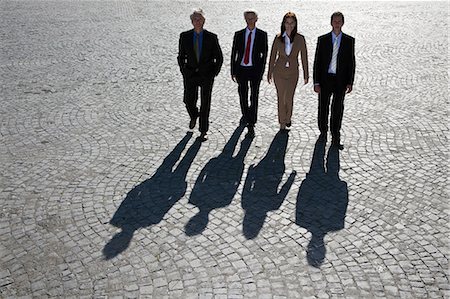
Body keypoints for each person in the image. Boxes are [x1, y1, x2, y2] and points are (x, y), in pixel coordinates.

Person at [177, 8, 223, 141]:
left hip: (206, 75)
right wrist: (184, 70)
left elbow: (218, 57)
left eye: (200, 19)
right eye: (195, 19)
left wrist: (213, 73)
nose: (197, 22)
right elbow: (181, 56)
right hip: (190, 74)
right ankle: (193, 115)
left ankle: (203, 130)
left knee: (205, 102)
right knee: (188, 100)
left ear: (204, 21)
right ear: (192, 22)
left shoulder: (211, 37)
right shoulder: (184, 36)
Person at [313, 11, 355, 149]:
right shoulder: (323, 39)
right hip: (325, 79)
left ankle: (336, 135)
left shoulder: (349, 41)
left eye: (339, 21)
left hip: (340, 80)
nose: (337, 24)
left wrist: (350, 81)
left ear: (343, 23)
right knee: (323, 106)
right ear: (331, 22)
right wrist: (316, 82)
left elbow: (351, 62)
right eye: (334, 21)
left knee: (337, 108)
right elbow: (317, 62)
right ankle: (323, 130)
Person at [267, 12, 309, 131]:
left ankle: (288, 117)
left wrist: (306, 74)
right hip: (279, 72)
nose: (289, 25)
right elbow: (272, 56)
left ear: (295, 24)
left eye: (292, 23)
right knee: (281, 97)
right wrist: (269, 72)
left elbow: (304, 56)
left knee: (289, 97)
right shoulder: (278, 38)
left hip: (293, 73)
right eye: (287, 23)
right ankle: (282, 122)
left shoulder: (300, 38)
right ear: (283, 24)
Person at [231, 10, 268, 138]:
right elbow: (234, 53)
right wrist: (233, 71)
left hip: (254, 69)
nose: (250, 21)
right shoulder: (239, 34)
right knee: (243, 93)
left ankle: (252, 122)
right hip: (241, 68)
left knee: (254, 95)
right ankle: (245, 114)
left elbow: (264, 54)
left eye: (252, 18)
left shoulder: (262, 35)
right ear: (245, 19)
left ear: (256, 19)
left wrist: (261, 71)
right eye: (247, 19)